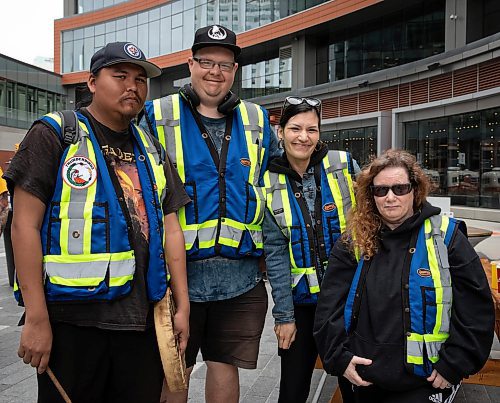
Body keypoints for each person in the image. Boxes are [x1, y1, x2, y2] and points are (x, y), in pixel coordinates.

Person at [4, 42, 191, 403]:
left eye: (140, 79)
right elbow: (23, 227)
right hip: (72, 322)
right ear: (91, 82)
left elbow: (171, 229)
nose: (132, 86)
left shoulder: (151, 148)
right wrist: (37, 319)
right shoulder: (55, 134)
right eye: (119, 76)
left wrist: (182, 307)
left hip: (139, 321)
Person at [141, 24, 281, 403]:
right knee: (175, 371)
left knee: (224, 366)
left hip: (241, 279)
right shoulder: (155, 115)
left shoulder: (256, 120)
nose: (214, 72)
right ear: (190, 64)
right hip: (177, 277)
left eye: (224, 64)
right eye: (206, 62)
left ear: (235, 70)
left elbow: (283, 179)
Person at [313, 149, 495, 403]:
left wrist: (454, 364)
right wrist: (339, 359)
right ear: (371, 195)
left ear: (414, 190)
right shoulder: (354, 241)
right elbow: (328, 307)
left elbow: (475, 308)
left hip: (425, 379)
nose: (390, 197)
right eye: (381, 190)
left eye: (400, 189)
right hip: (365, 376)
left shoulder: (447, 237)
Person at [262, 96, 356, 403]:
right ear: (280, 132)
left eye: (312, 129)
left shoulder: (344, 166)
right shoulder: (267, 181)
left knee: (357, 387)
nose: (304, 137)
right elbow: (275, 255)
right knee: (293, 389)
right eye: (295, 128)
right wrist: (284, 316)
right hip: (301, 304)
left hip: (349, 299)